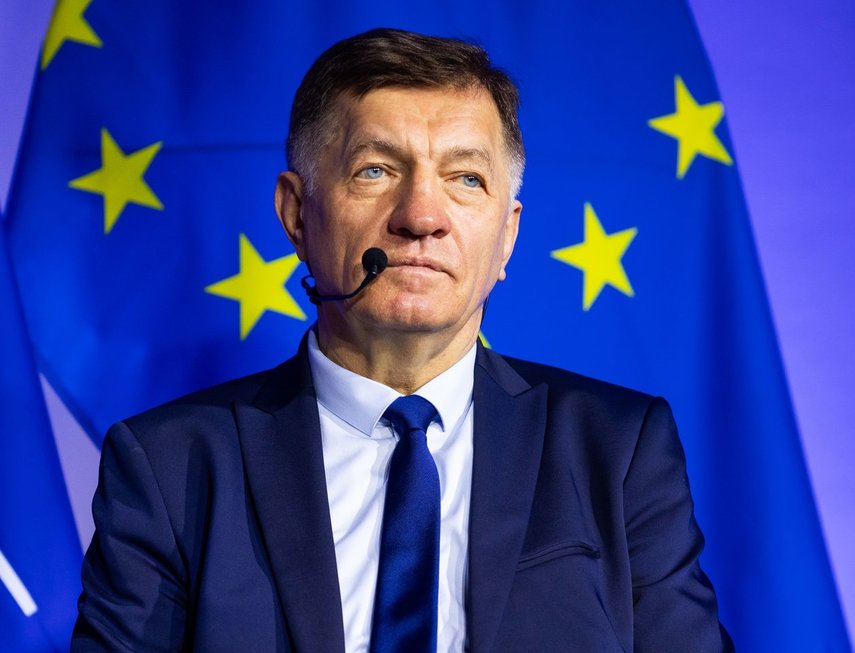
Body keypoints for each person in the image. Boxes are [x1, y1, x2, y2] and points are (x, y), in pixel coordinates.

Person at [72, 28, 733, 653]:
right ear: (297, 214)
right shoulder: (171, 465)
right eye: (376, 170)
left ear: (506, 235)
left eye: (466, 178)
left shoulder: (617, 450)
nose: (421, 216)